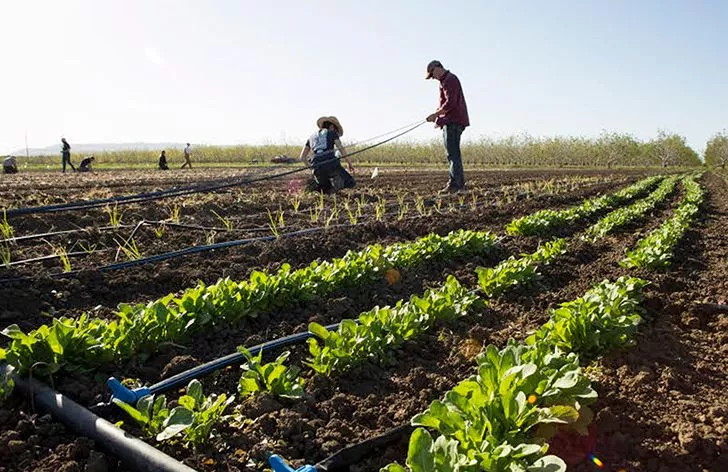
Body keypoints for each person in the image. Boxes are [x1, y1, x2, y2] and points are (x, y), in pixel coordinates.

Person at [425, 60, 470, 193]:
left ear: (437, 68)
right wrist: (438, 118)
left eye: (432, 75)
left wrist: (436, 114)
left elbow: (451, 103)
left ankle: (456, 185)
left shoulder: (450, 80)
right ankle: (458, 184)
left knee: (452, 154)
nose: (433, 78)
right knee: (452, 153)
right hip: (450, 121)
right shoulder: (444, 82)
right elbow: (445, 104)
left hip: (454, 121)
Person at [299, 116, 356, 193]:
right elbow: (341, 148)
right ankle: (336, 185)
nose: (336, 133)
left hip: (316, 165)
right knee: (350, 182)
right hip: (330, 163)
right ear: (332, 127)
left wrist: (313, 169)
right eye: (336, 131)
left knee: (325, 189)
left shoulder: (311, 138)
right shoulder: (331, 133)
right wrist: (349, 163)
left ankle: (318, 188)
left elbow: (302, 157)